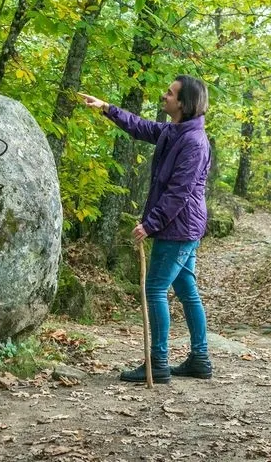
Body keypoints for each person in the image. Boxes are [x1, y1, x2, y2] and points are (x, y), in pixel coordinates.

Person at [79, 75, 213, 384]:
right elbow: (142, 127)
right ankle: (200, 359)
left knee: (154, 289)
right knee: (186, 289)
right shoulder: (174, 131)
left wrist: (150, 224)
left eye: (170, 93)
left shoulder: (194, 142)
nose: (164, 95)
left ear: (184, 103)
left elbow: (179, 193)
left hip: (178, 228)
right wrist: (107, 108)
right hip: (183, 226)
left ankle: (159, 362)